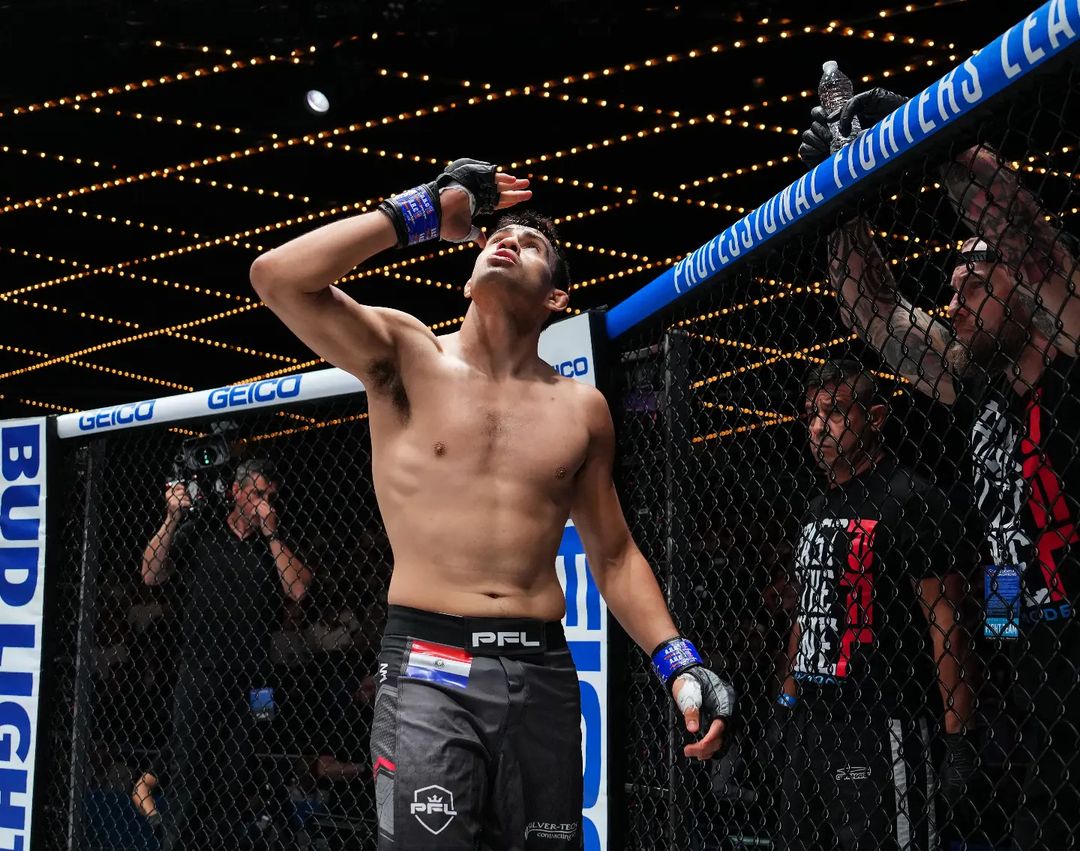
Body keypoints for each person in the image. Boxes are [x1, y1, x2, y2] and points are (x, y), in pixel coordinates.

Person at [249, 158, 734, 849]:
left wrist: (678, 660)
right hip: (427, 663)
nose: (507, 241)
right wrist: (422, 210)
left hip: (542, 671)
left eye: (530, 244)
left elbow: (614, 553)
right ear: (468, 277)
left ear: (558, 297)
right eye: (496, 238)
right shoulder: (405, 356)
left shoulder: (583, 409)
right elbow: (276, 277)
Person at [800, 87, 1080, 850]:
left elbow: (1024, 233)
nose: (953, 289)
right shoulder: (976, 382)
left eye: (975, 276)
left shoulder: (1071, 347)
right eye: (953, 278)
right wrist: (843, 189)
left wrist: (933, 133)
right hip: (1029, 682)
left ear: (1024, 287)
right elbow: (874, 312)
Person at [775, 358, 977, 850]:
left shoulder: (910, 498)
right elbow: (807, 611)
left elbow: (946, 621)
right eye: (811, 414)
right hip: (813, 719)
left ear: (876, 417)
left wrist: (958, 736)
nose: (819, 427)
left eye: (835, 411)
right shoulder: (817, 509)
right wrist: (786, 700)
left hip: (883, 720)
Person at [138, 458, 313, 849]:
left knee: (240, 772)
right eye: (256, 494)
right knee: (189, 769)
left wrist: (271, 534)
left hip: (255, 680)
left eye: (270, 497)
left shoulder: (273, 543)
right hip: (200, 672)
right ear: (236, 492)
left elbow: (298, 589)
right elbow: (150, 573)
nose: (264, 504)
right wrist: (171, 519)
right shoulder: (203, 532)